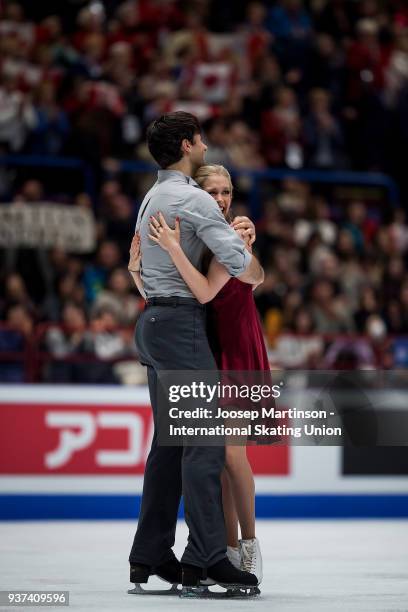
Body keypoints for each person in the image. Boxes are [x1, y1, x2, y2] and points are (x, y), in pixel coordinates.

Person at [127, 112, 263, 595]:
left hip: (153, 321)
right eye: (201, 138)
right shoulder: (192, 198)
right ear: (187, 145)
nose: (205, 143)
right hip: (183, 326)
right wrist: (242, 240)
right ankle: (204, 558)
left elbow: (141, 262)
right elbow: (247, 271)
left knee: (168, 443)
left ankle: (148, 554)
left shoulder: (151, 196)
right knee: (203, 444)